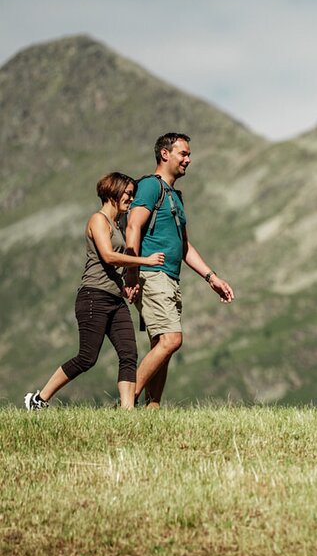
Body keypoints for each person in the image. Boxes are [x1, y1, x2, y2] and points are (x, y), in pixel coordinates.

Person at [24, 173, 165, 411]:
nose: (131, 198)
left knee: (129, 353)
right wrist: (145, 261)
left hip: (113, 298)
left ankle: (127, 411)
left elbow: (112, 268)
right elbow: (108, 257)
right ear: (113, 192)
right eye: (128, 193)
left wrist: (124, 289)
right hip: (93, 297)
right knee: (87, 357)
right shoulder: (98, 221)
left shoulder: (118, 224)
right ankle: (38, 400)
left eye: (132, 194)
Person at [124, 132, 235, 408]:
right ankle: (126, 404)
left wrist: (212, 277)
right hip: (152, 273)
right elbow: (133, 226)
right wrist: (132, 272)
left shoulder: (175, 196)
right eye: (183, 153)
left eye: (188, 154)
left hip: (170, 278)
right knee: (172, 339)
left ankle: (152, 409)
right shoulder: (151, 186)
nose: (188, 159)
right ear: (165, 154)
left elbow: (184, 246)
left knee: (162, 345)